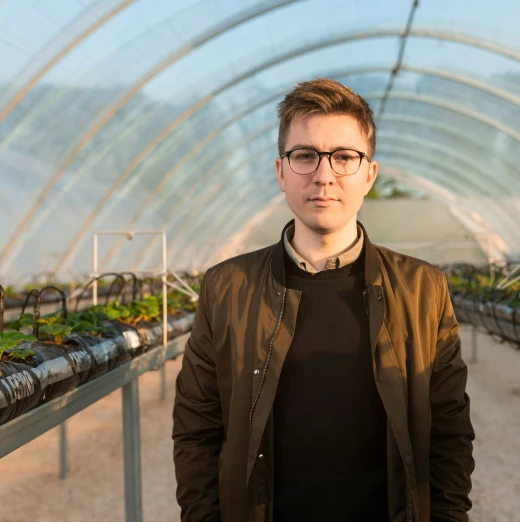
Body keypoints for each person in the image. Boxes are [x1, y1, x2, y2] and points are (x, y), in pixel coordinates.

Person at [173, 78, 474, 522]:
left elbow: (449, 429)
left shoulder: (422, 288)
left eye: (344, 157)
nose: (324, 174)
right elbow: (198, 429)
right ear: (281, 172)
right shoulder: (226, 287)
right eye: (305, 155)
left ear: (369, 174)